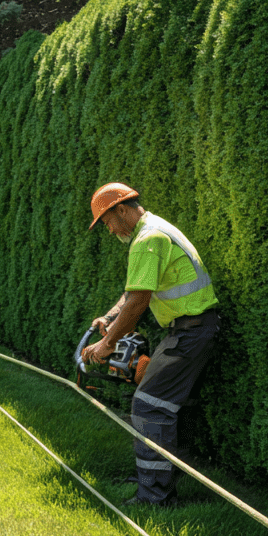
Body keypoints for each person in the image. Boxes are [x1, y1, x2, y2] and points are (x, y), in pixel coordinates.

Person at [81, 183, 220, 508]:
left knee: (149, 407)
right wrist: (110, 316)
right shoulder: (153, 231)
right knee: (158, 404)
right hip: (188, 330)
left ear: (121, 209)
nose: (109, 229)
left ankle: (155, 497)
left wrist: (107, 344)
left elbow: (139, 302)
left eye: (107, 221)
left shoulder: (147, 240)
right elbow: (133, 294)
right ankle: (153, 478)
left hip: (191, 332)